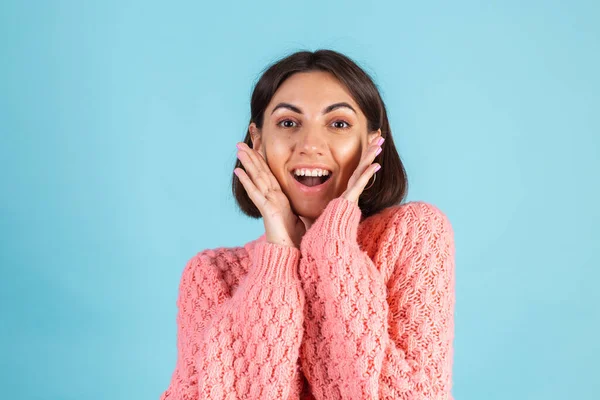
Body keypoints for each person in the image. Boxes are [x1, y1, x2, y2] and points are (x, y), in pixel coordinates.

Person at [160, 49, 456, 400]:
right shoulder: (211, 276)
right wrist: (277, 261)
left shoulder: (413, 235)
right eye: (288, 123)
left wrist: (330, 248)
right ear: (257, 140)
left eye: (339, 124)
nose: (311, 145)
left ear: (372, 143)